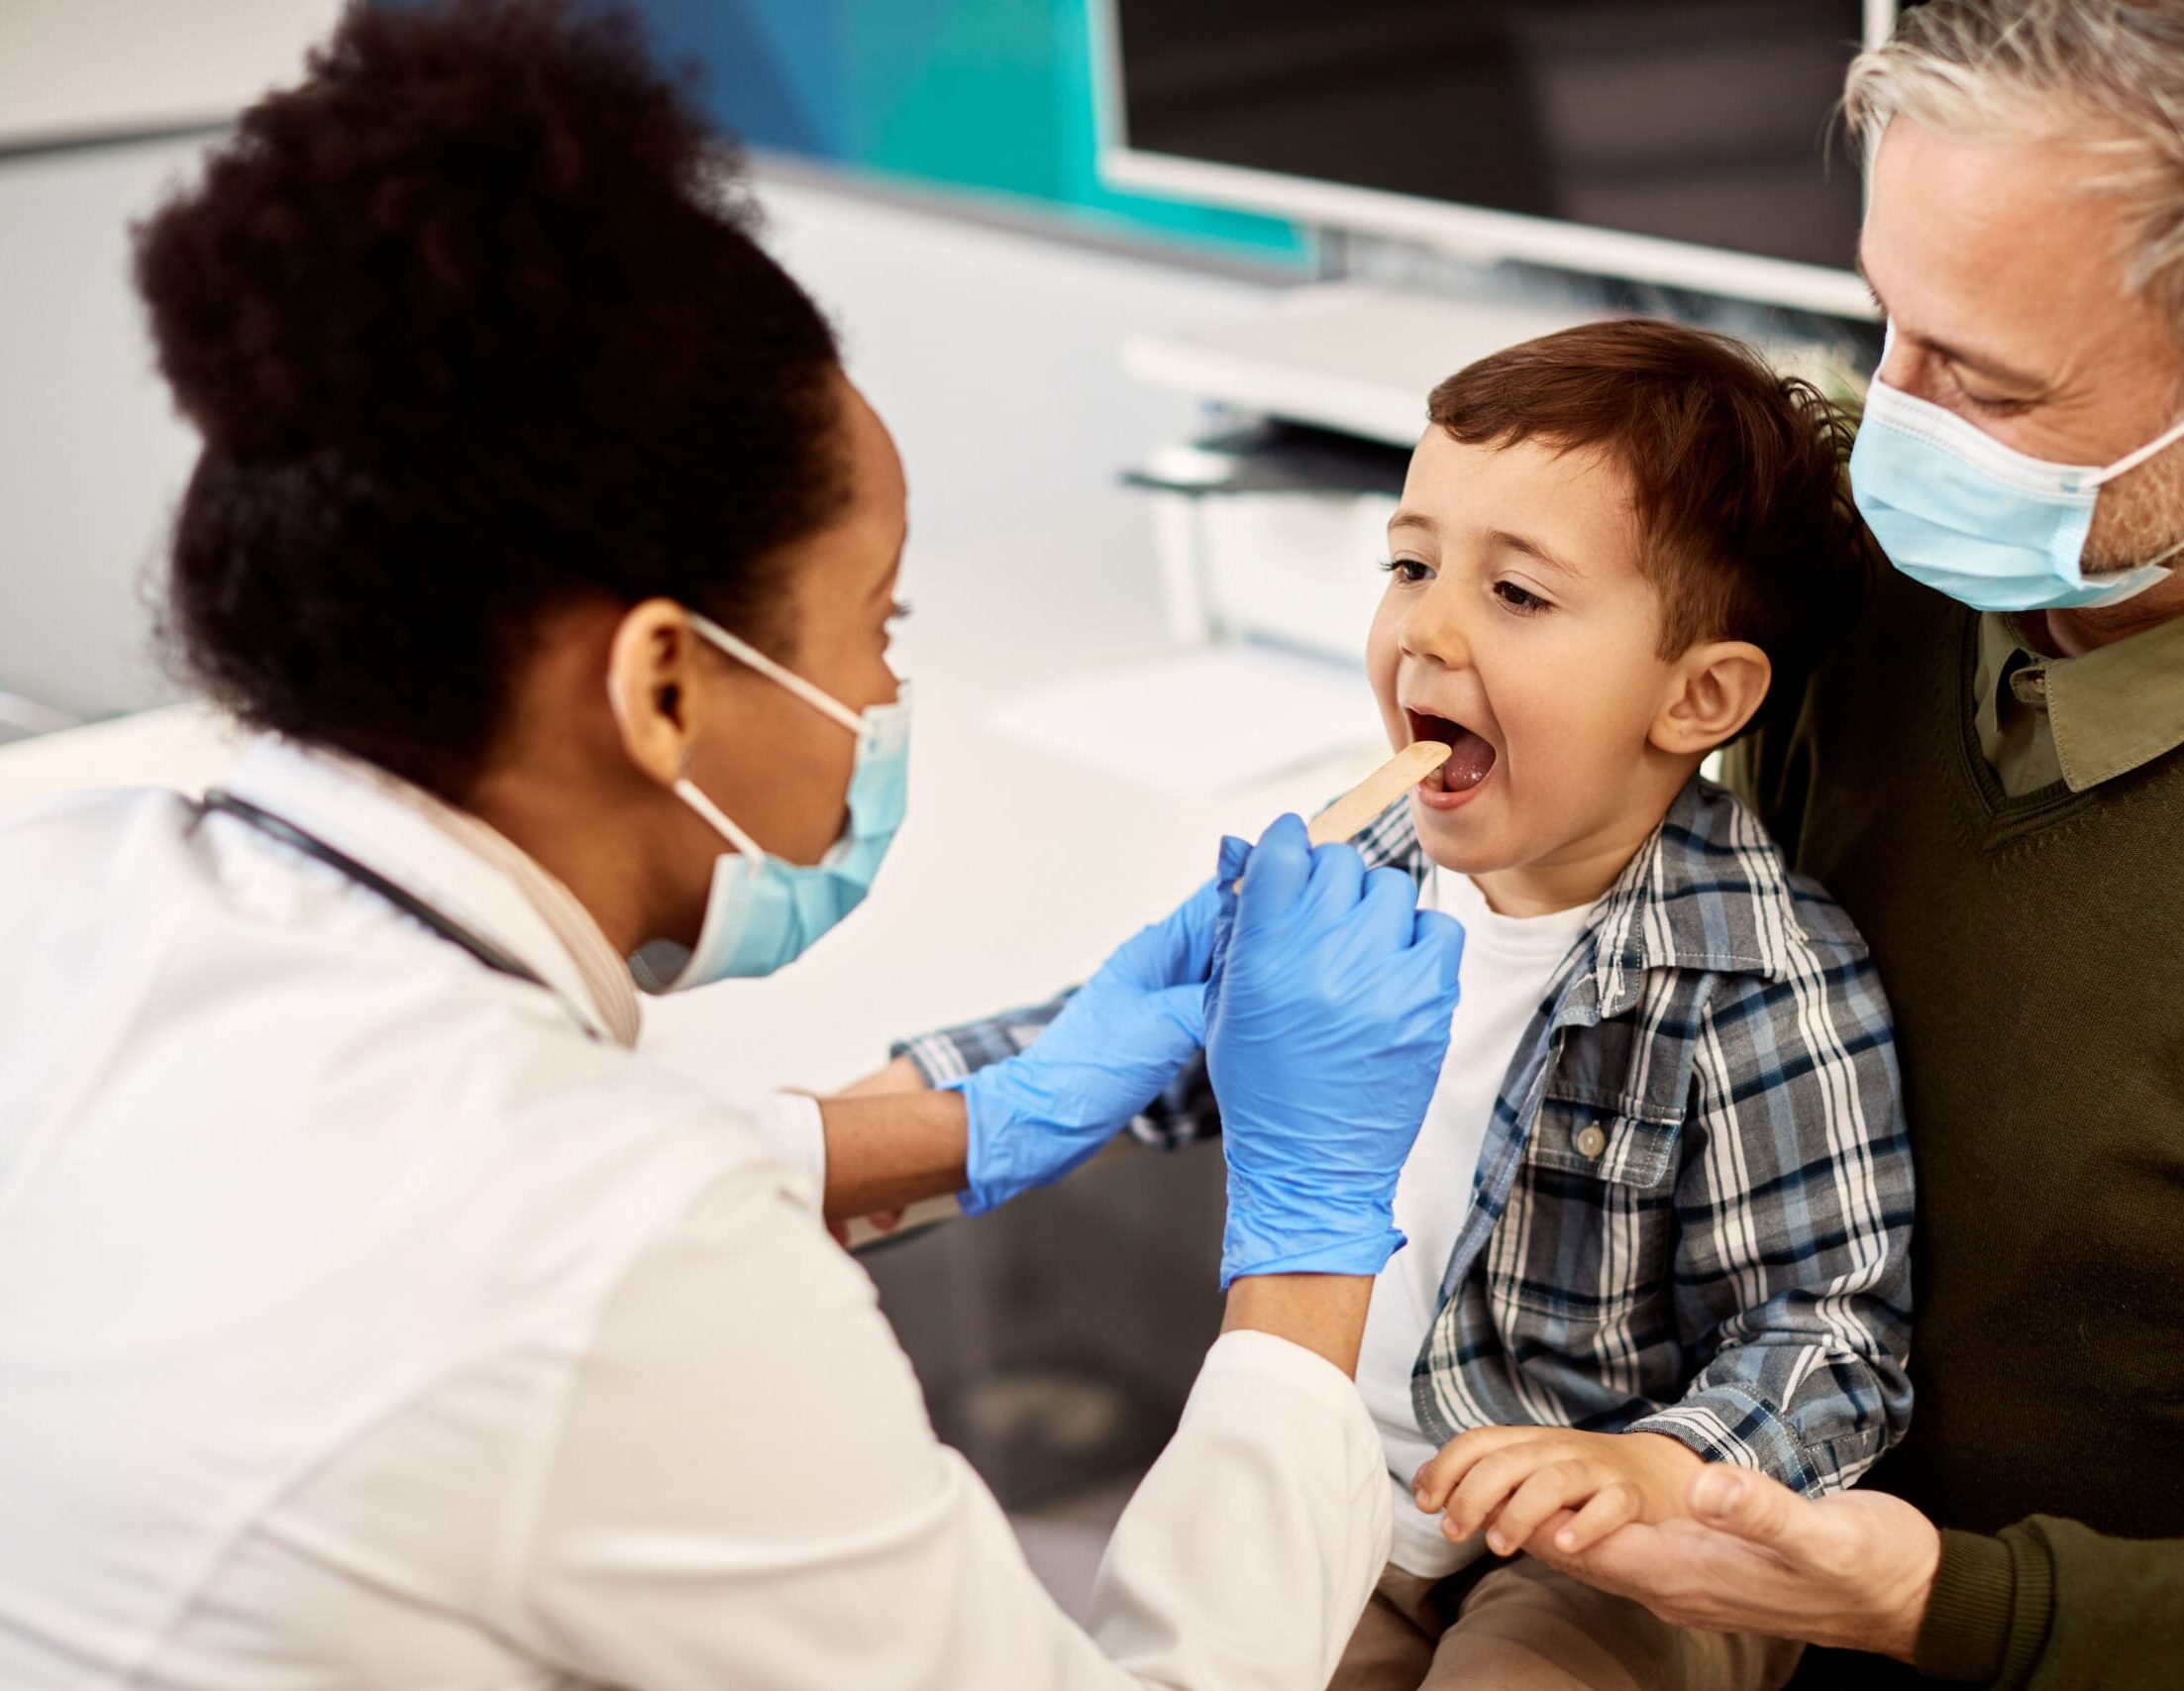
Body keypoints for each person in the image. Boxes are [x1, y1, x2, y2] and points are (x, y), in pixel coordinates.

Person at [0, 5, 1471, 1687]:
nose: (889, 691)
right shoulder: (627, 1272)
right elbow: (573, 1253)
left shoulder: (57, 879)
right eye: (875, 622)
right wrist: (1302, 1248)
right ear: (664, 686)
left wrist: (964, 1123)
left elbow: (395, 1198)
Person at [1498, 4, 2184, 1686]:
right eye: (1882, 323)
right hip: (1686, 1520)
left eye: (1985, 379)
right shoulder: (1840, 563)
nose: (1888, 422)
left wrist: (1941, 1609)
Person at [893, 320, 1918, 1691]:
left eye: (1518, 596)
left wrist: (1654, 1468)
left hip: (1611, 1551)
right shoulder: (1349, 875)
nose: (1425, 628)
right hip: (1358, 1490)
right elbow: (1115, 1040)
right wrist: (896, 1111)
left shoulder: (1763, 979)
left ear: (1699, 697)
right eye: (1411, 563)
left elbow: (1834, 1335)